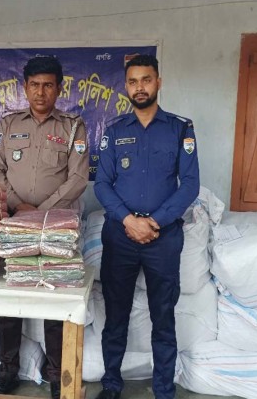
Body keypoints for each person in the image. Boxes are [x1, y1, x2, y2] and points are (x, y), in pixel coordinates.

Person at [93, 54, 200, 399]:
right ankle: (111, 384)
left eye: (146, 80)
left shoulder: (180, 129)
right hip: (120, 235)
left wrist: (153, 222)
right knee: (116, 315)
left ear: (158, 82)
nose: (140, 87)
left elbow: (190, 184)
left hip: (163, 237)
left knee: (163, 316)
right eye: (133, 81)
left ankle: (163, 390)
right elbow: (102, 184)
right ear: (126, 86)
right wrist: (129, 220)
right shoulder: (114, 131)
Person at [0, 56, 89, 399]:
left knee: (53, 296)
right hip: (14, 224)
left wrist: (41, 213)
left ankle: (57, 375)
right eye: (34, 85)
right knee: (10, 296)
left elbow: (78, 177)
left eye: (48, 85)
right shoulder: (7, 124)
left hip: (56, 227)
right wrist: (19, 206)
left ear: (59, 88)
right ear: (25, 88)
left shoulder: (73, 127)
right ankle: (8, 372)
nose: (40, 92)